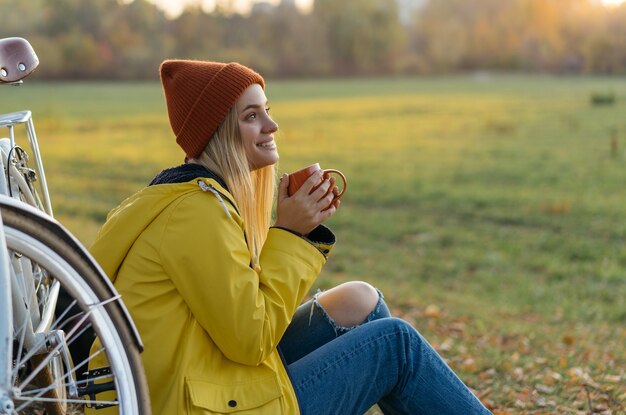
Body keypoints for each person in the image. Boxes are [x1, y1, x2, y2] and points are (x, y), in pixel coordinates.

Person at [88, 59, 492, 415]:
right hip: (191, 404)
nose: (271, 125)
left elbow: (236, 323)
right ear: (219, 131)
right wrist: (291, 234)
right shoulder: (195, 213)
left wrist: (293, 233)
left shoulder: (190, 199)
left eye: (267, 110)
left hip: (199, 381)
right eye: (251, 116)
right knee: (395, 344)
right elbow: (250, 339)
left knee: (359, 300)